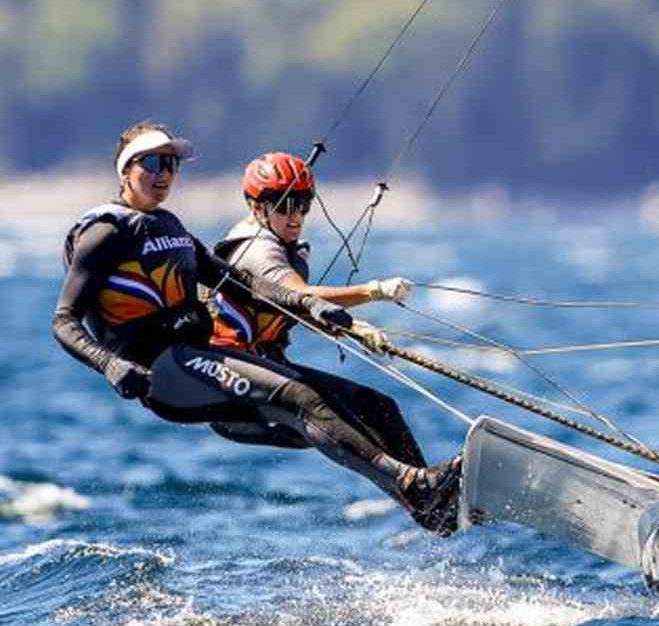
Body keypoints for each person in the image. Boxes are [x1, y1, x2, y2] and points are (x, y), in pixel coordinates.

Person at [51, 122, 461, 535]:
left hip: (200, 358)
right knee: (301, 398)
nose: (163, 174)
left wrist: (309, 304)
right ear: (125, 170)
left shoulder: (170, 227)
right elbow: (64, 321)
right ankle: (412, 483)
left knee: (376, 407)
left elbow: (241, 284)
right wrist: (109, 366)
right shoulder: (105, 232)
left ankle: (433, 505)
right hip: (163, 371)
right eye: (153, 163)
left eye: (171, 165)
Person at [207, 151, 462, 532]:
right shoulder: (256, 250)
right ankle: (416, 490)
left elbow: (291, 311)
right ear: (255, 206)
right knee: (322, 410)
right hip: (232, 394)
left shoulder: (284, 243)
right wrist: (374, 291)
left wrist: (352, 328)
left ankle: (432, 502)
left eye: (303, 204)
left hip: (269, 371)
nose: (294, 215)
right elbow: (302, 296)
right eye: (282, 204)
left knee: (380, 409)